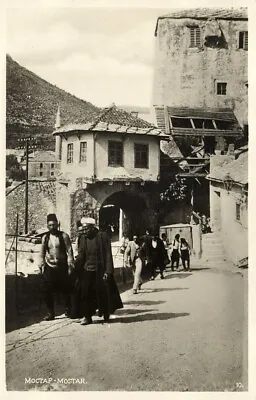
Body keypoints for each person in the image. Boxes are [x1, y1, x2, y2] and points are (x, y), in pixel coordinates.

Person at [74, 217, 123, 325]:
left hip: (100, 270)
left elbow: (108, 254)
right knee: (86, 294)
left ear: (92, 227)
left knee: (103, 293)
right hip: (87, 270)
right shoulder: (82, 238)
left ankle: (105, 315)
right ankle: (87, 317)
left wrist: (108, 271)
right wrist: (75, 265)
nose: (85, 231)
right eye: (84, 229)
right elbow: (81, 254)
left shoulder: (102, 236)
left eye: (87, 228)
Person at [38, 213, 75, 321]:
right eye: (50, 225)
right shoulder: (45, 237)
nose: (52, 227)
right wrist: (41, 264)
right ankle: (51, 313)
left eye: (54, 225)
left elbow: (69, 250)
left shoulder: (64, 236)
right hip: (50, 267)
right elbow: (42, 252)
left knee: (66, 289)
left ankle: (68, 309)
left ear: (58, 224)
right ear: (47, 226)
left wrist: (70, 264)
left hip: (62, 267)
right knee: (47, 290)